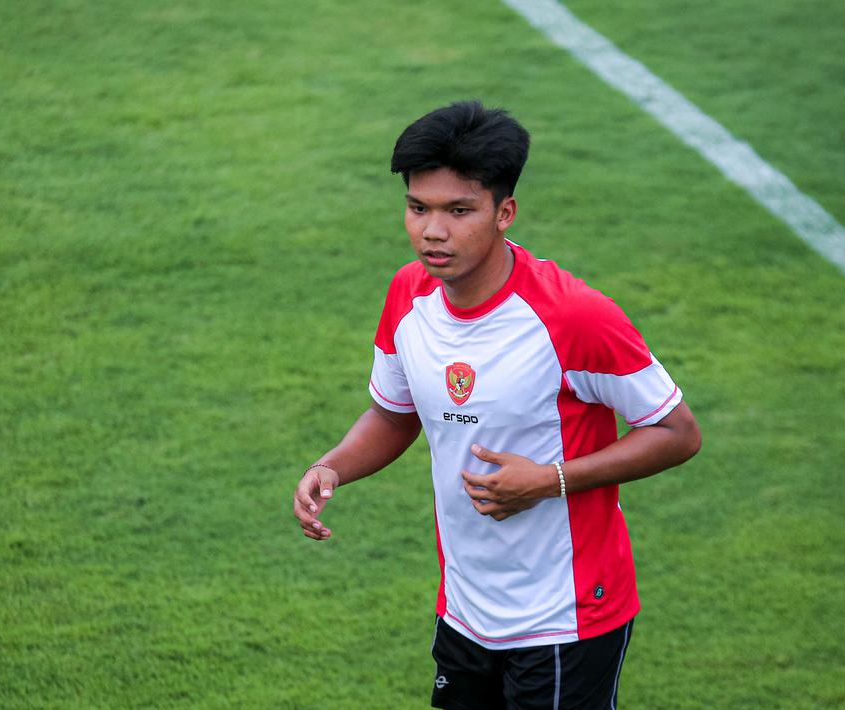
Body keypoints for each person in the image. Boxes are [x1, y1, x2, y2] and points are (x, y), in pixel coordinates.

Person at [291, 100, 702, 709]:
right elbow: (393, 413)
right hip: (465, 608)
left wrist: (549, 480)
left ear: (504, 212)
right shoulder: (408, 296)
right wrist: (333, 466)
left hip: (567, 617)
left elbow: (676, 432)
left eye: (459, 211)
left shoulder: (573, 317)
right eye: (418, 208)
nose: (433, 230)